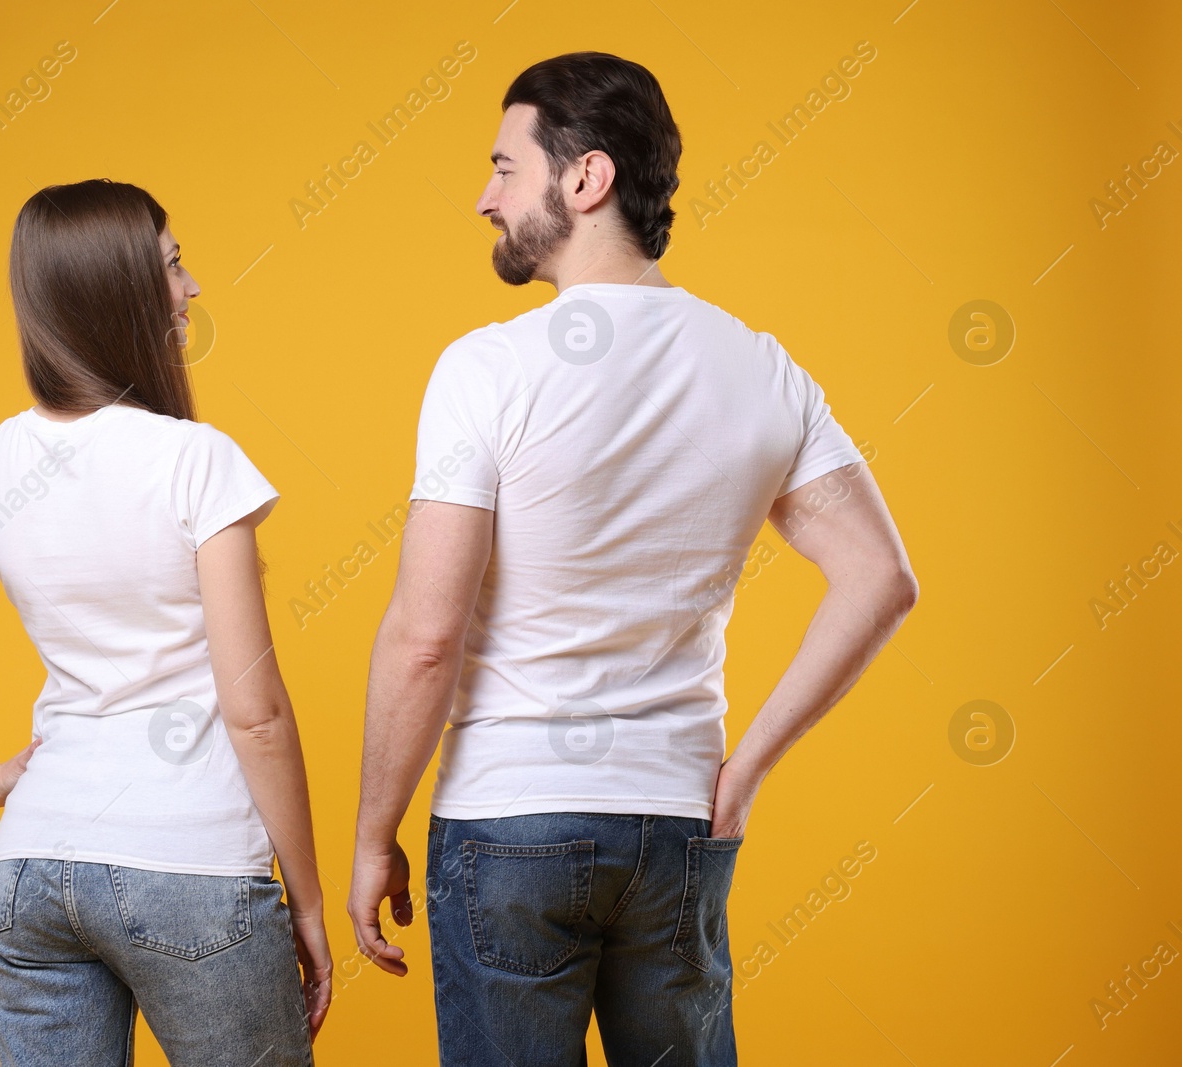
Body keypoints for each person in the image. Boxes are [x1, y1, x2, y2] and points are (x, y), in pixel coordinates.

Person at [347, 52, 919, 1066]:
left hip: (508, 821)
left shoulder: (489, 369)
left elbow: (425, 633)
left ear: (585, 179)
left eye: (504, 168)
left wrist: (369, 832)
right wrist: (741, 769)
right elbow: (880, 576)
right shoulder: (761, 367)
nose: (484, 198)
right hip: (676, 821)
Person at [0, 179, 332, 1066]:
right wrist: (309, 904)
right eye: (172, 264)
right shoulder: (196, 461)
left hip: (30, 873)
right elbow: (256, 711)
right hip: (189, 865)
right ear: (119, 289)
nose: (192, 286)